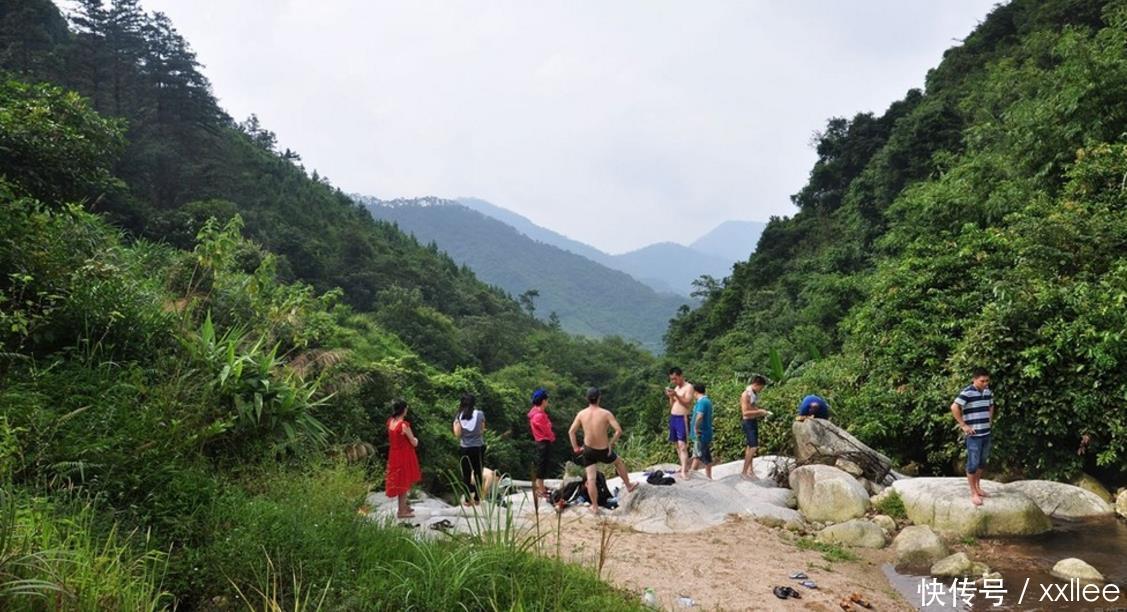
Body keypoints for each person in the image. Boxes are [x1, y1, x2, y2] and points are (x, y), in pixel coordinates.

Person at [568, 387, 639, 515]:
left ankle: (594, 506)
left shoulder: (581, 414)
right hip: (603, 450)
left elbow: (571, 432)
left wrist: (576, 448)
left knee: (591, 479)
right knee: (618, 462)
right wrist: (611, 443)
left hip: (588, 450)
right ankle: (628, 485)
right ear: (599, 398)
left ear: (587, 399)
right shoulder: (605, 413)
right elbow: (619, 431)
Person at [950, 368, 995, 506]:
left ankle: (978, 487)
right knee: (973, 463)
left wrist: (989, 420)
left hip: (986, 433)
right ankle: (973, 492)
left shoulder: (988, 392)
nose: (985, 383)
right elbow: (954, 407)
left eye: (987, 380)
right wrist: (963, 425)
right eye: (982, 381)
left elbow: (991, 405)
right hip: (974, 435)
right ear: (974, 379)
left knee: (982, 462)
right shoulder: (967, 392)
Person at [385, 398, 421, 518]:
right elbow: (413, 442)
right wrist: (416, 440)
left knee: (400, 480)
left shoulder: (390, 422)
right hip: (404, 455)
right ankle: (401, 511)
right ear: (404, 410)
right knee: (403, 482)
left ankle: (404, 506)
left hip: (394, 454)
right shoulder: (403, 425)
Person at [453, 393, 486, 506]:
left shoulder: (459, 416)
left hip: (465, 448)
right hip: (478, 447)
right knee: (478, 472)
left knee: (466, 474)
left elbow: (457, 434)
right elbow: (482, 430)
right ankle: (477, 498)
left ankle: (467, 500)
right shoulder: (480, 414)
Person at [664, 367, 694, 478]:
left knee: (682, 445)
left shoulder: (689, 387)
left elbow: (687, 403)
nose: (674, 381)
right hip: (674, 417)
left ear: (681, 376)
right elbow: (672, 405)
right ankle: (683, 466)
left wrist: (676, 395)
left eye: (675, 379)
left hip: (683, 418)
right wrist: (671, 397)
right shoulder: (676, 388)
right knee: (676, 444)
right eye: (672, 379)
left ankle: (684, 471)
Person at [527, 387, 555, 499]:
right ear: (543, 401)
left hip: (542, 442)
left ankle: (541, 487)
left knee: (543, 464)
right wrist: (552, 436)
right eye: (546, 400)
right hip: (543, 442)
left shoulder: (537, 413)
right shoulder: (539, 416)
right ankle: (540, 488)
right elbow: (546, 429)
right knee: (542, 465)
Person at [740, 375, 770, 480]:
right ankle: (744, 471)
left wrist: (762, 411)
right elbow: (745, 412)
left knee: (750, 446)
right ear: (756, 385)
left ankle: (750, 470)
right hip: (748, 422)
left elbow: (752, 408)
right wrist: (760, 412)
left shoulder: (753, 394)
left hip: (753, 421)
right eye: (761, 388)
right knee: (753, 447)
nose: (761, 390)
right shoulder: (746, 394)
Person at [689, 383, 714, 479]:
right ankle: (696, 475)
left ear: (695, 392)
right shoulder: (706, 401)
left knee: (700, 455)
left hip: (701, 433)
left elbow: (699, 416)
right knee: (698, 454)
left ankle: (705, 477)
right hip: (703, 433)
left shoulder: (702, 402)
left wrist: (695, 428)